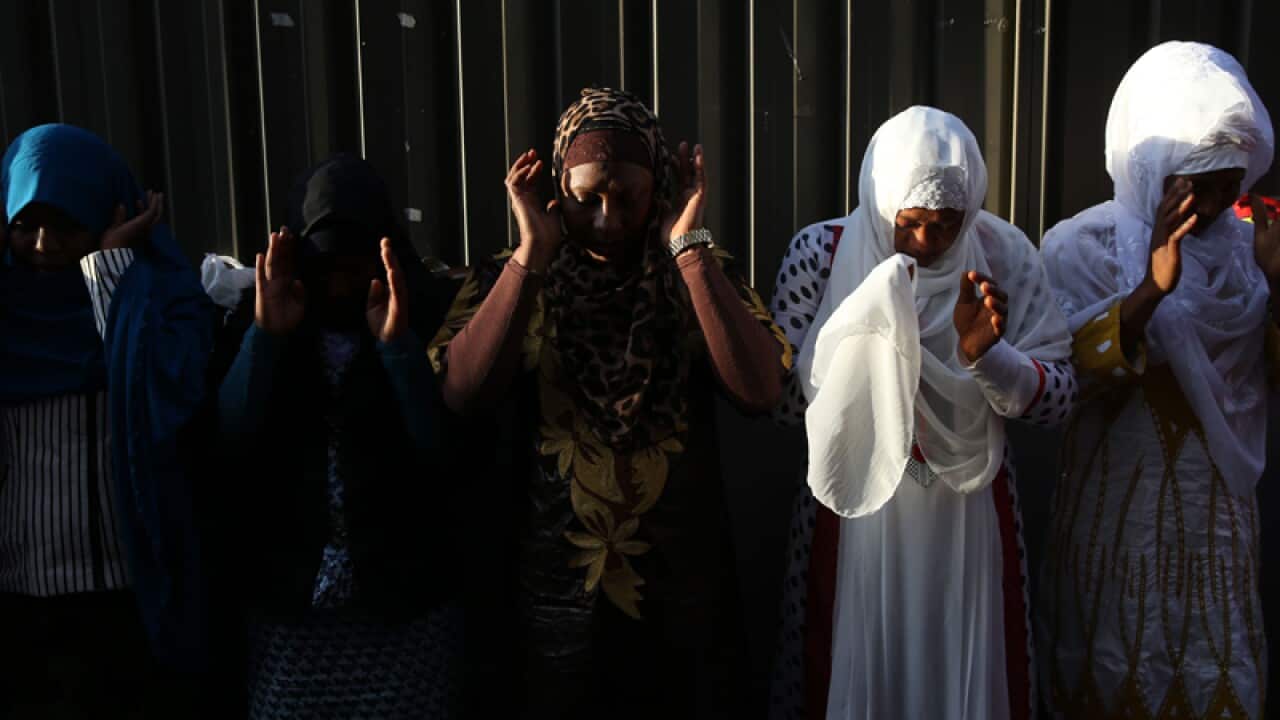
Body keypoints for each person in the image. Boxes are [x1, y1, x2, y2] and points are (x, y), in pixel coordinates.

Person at [428, 87, 789, 718]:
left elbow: (762, 390)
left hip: (683, 601)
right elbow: (462, 395)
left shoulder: (694, 270)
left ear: (660, 192)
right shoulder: (511, 276)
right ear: (555, 190)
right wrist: (532, 253)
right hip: (548, 603)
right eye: (586, 197)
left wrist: (692, 247)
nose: (607, 219)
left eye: (628, 196)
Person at [767, 106, 1077, 720]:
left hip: (968, 518)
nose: (927, 244)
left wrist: (987, 358)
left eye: (947, 225)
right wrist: (863, 334)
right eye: (908, 224)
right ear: (881, 205)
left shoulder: (1001, 253)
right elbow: (780, 406)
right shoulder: (823, 254)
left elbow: (1061, 399)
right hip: (854, 517)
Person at [1038, 41, 1277, 718]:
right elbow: (1064, 383)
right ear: (1153, 168)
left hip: (1217, 525)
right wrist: (1151, 289)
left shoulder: (1249, 256)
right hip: (1120, 516)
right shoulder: (1080, 248)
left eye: (1234, 182)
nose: (1220, 201)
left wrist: (1278, 282)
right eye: (1200, 184)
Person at [210, 154, 462, 718]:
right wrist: (267, 337)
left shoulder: (428, 319)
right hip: (291, 610)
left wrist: (396, 346)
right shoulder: (257, 324)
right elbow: (230, 440)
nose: (342, 286)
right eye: (327, 270)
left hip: (402, 608)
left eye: (355, 268)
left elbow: (439, 450)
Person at [0, 124, 214, 716]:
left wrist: (111, 266)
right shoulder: (9, 313)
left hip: (126, 600)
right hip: (18, 601)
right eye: (24, 225)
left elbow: (170, 394)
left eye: (66, 225)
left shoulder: (162, 300)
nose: (43, 245)